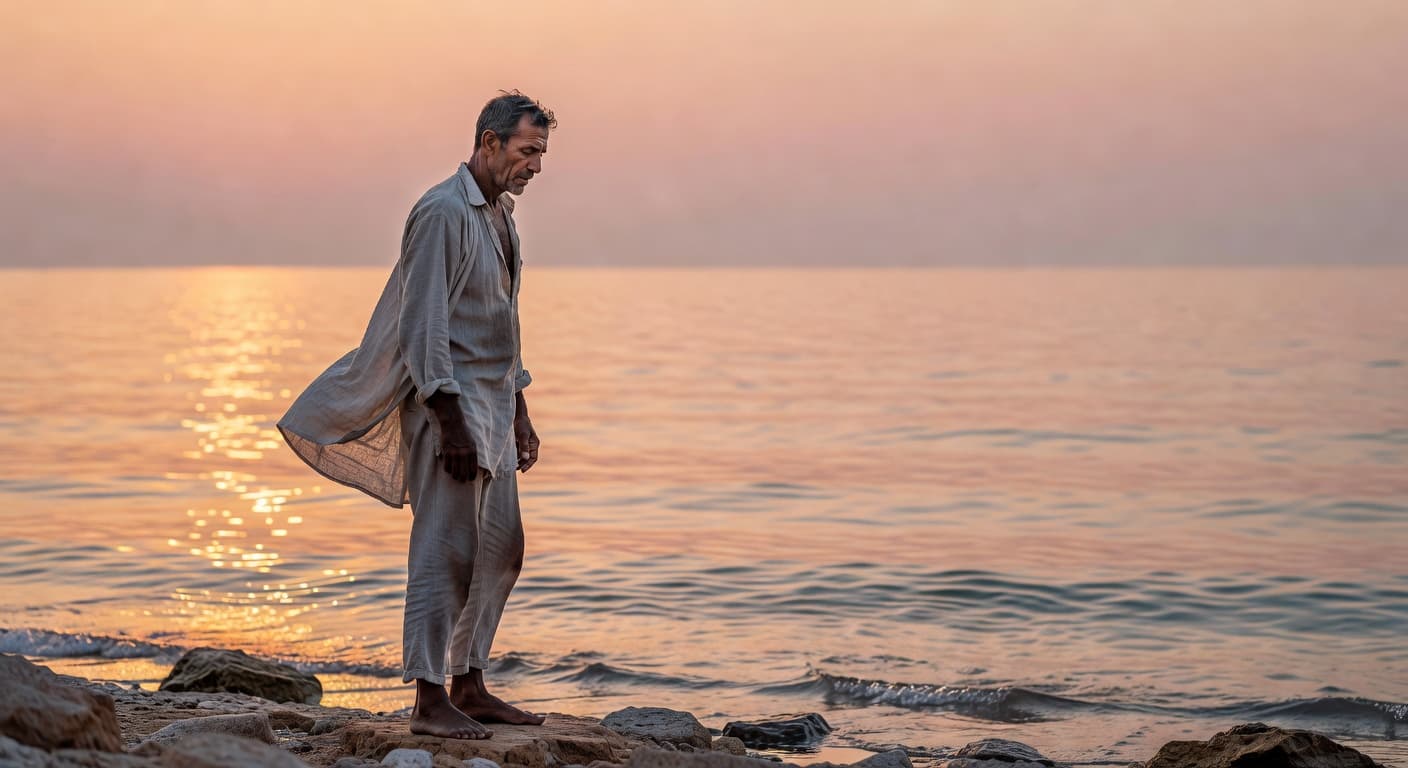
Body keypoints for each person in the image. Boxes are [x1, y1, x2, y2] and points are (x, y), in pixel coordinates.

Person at [278, 91, 556, 739]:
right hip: (448, 409)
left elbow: (503, 323)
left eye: (542, 153)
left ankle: (469, 684)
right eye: (528, 151)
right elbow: (422, 323)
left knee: (501, 551)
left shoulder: (501, 216)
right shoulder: (441, 213)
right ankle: (429, 699)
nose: (536, 166)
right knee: (445, 550)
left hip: (493, 405)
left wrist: (520, 409)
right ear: (489, 143)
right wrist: (448, 420)